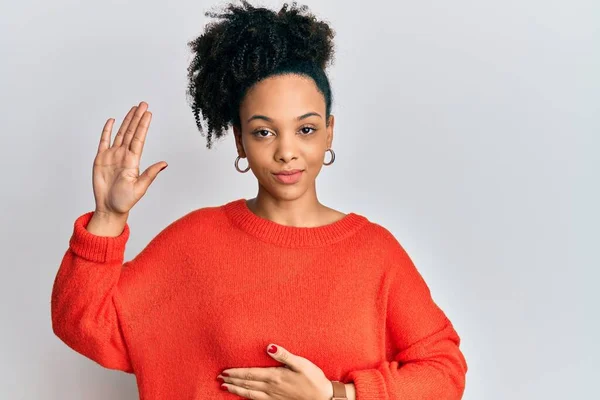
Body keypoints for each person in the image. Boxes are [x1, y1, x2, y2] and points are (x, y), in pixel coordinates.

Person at [50, 1, 468, 399]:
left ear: (329, 132)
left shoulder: (374, 253)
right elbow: (86, 324)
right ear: (239, 140)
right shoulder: (196, 241)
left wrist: (335, 395)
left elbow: (444, 372)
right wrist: (108, 216)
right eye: (264, 131)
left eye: (305, 129)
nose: (286, 151)